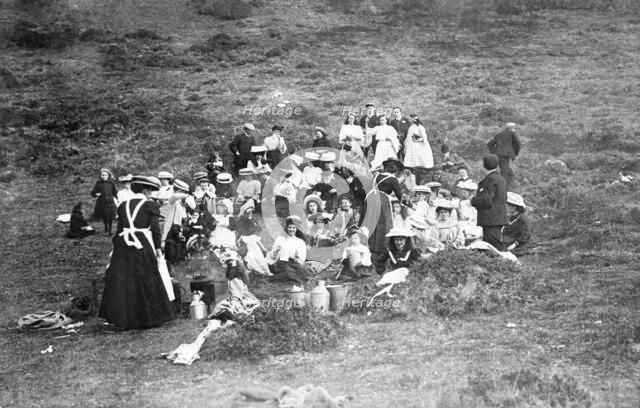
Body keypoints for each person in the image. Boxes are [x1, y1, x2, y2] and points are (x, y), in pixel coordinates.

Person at [99, 176, 174, 330]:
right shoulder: (149, 205)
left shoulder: (124, 205)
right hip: (141, 243)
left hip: (123, 244)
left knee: (125, 279)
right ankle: (148, 317)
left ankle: (125, 318)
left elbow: (119, 230)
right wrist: (159, 252)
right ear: (145, 190)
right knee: (146, 277)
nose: (151, 194)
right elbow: (155, 230)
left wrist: (116, 249)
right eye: (151, 191)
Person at [368, 158, 406, 274]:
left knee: (373, 227)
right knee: (385, 228)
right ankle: (382, 256)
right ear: (396, 170)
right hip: (383, 202)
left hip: (371, 201)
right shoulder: (393, 180)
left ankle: (373, 252)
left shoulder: (376, 177)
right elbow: (400, 196)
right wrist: (409, 204)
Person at [471, 154, 508, 251]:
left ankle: (507, 262)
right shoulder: (501, 179)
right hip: (497, 218)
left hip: (490, 219)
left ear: (484, 166)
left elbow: (486, 200)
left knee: (494, 247)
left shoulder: (490, 180)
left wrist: (473, 200)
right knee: (492, 246)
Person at [267, 217, 313, 283]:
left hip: (294, 263)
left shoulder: (300, 241)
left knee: (306, 273)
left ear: (297, 229)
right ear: (286, 228)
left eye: (294, 228)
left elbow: (301, 259)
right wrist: (276, 251)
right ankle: (273, 278)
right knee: (290, 273)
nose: (291, 230)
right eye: (290, 227)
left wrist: (297, 256)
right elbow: (272, 256)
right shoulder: (280, 239)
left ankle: (290, 277)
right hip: (282, 263)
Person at [236, 201, 271, 276]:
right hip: (244, 239)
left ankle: (262, 268)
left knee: (258, 253)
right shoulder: (242, 220)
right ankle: (251, 268)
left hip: (252, 239)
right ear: (244, 212)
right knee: (250, 254)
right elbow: (241, 230)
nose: (250, 213)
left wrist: (252, 222)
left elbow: (258, 229)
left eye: (251, 212)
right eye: (248, 212)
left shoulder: (252, 220)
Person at [487, 122, 521, 190]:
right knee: (504, 172)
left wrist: (493, 152)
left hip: (498, 155)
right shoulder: (512, 134)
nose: (514, 129)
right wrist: (515, 153)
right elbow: (518, 144)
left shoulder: (499, 134)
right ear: (511, 128)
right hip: (505, 156)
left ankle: (509, 187)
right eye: (514, 128)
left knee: (510, 173)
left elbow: (489, 144)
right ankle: (503, 189)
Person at [161, 179, 191, 248]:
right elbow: (174, 196)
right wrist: (187, 195)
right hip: (170, 232)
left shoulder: (180, 203)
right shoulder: (172, 200)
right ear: (179, 191)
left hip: (177, 231)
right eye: (182, 192)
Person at [91, 168, 118, 235]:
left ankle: (110, 230)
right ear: (100, 176)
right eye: (102, 175)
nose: (104, 176)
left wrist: (118, 198)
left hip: (110, 202)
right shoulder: (98, 183)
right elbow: (93, 192)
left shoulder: (111, 183)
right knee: (104, 216)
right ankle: (106, 229)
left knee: (111, 216)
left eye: (105, 175)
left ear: (108, 176)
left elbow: (115, 192)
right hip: (101, 202)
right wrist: (96, 194)